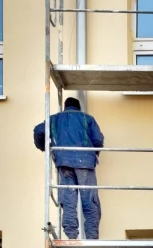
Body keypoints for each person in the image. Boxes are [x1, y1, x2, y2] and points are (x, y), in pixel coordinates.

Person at [33, 97, 105, 240]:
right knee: (89, 199)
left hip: (63, 162)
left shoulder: (54, 119)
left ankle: (72, 236)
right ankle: (91, 237)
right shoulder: (87, 118)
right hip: (85, 163)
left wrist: (44, 147)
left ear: (65, 107)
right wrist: (94, 152)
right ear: (78, 108)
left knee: (68, 199)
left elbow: (38, 131)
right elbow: (98, 139)